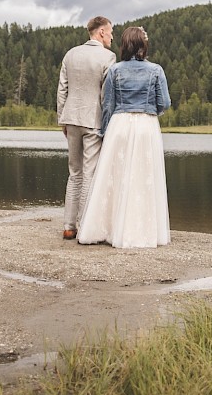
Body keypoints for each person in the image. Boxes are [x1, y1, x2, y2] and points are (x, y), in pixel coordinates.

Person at [77, 26, 171, 248]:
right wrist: (149, 110)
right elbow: (164, 103)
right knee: (143, 177)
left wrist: (105, 132)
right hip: (146, 125)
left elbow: (107, 104)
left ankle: (109, 228)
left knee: (117, 177)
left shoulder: (115, 70)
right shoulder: (156, 70)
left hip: (120, 124)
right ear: (143, 45)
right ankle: (143, 232)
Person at [56, 16, 116, 240]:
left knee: (74, 173)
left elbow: (62, 89)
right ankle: (84, 226)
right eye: (110, 32)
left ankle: (68, 225)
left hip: (71, 118)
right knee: (89, 173)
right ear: (100, 32)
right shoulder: (108, 57)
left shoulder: (71, 54)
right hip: (93, 120)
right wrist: (107, 123)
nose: (112, 36)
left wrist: (62, 118)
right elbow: (105, 95)